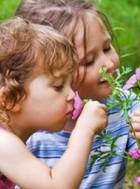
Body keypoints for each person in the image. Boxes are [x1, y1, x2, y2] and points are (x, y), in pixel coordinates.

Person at [16, 0, 140, 188]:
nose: (108, 64)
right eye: (87, 61)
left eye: (107, 48)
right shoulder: (30, 127)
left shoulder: (125, 108)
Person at [0, 17, 107, 189]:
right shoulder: (2, 143)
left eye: (69, 85)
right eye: (58, 86)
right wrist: (84, 130)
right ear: (11, 99)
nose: (72, 95)